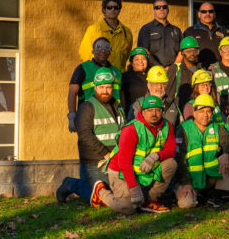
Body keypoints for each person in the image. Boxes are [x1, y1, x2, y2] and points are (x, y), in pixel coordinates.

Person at [94, 95, 177, 214]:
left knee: (171, 164)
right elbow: (124, 162)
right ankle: (102, 193)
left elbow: (171, 149)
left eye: (158, 110)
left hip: (143, 170)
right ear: (142, 112)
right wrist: (133, 188)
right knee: (128, 208)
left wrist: (155, 156)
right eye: (149, 110)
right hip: (120, 172)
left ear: (162, 112)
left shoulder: (166, 125)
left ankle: (148, 201)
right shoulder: (131, 129)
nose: (154, 113)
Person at [56, 69, 125, 206]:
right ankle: (71, 184)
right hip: (94, 161)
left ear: (112, 88)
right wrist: (105, 154)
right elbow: (85, 135)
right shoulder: (87, 106)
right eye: (101, 87)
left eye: (108, 87)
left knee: (119, 194)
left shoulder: (118, 106)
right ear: (95, 87)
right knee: (100, 198)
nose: (105, 91)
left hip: (115, 160)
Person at [174, 94, 229, 208]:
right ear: (194, 113)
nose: (205, 115)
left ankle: (218, 194)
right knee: (187, 204)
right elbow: (178, 158)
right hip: (189, 179)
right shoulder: (183, 130)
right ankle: (191, 194)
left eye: (208, 111)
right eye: (201, 111)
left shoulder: (217, 127)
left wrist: (226, 154)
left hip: (210, 177)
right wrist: (185, 182)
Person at [68, 37, 122, 132]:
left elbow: (121, 94)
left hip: (114, 117)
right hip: (89, 116)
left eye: (106, 47)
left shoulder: (117, 71)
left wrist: (123, 114)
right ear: (93, 51)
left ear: (110, 51)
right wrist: (72, 115)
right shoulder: (83, 68)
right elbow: (72, 92)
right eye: (99, 47)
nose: (103, 50)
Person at [78, 0, 134, 71]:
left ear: (119, 10)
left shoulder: (127, 32)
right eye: (109, 7)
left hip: (118, 76)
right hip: (98, 75)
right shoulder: (93, 29)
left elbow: (127, 55)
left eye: (116, 7)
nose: (113, 9)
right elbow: (84, 54)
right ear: (104, 10)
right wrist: (95, 70)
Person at [136, 0, 182, 68]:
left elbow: (182, 51)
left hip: (174, 71)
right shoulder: (146, 29)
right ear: (153, 11)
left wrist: (173, 68)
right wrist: (159, 67)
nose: (161, 9)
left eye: (164, 7)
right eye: (158, 7)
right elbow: (143, 52)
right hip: (153, 71)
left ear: (168, 10)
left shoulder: (176, 30)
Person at [183, 2, 228, 69]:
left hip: (219, 71)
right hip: (198, 71)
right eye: (204, 11)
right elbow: (182, 54)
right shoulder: (190, 31)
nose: (208, 14)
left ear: (214, 14)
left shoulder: (222, 31)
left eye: (211, 11)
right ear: (199, 14)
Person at [169, 36, 203, 114]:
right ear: (182, 53)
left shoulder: (201, 70)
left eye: (194, 51)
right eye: (188, 51)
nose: (192, 53)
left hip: (199, 112)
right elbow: (168, 94)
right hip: (179, 113)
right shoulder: (175, 69)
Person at [121, 47, 150, 113]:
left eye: (143, 59)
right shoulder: (125, 77)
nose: (140, 61)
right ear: (132, 63)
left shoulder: (151, 76)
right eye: (136, 59)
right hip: (132, 114)